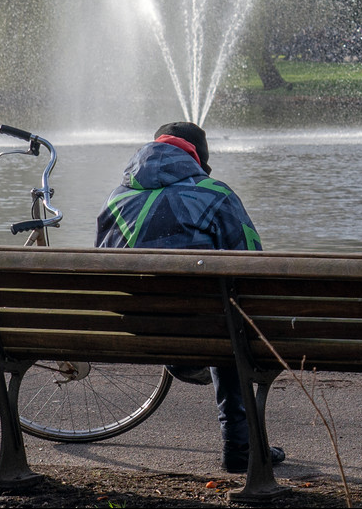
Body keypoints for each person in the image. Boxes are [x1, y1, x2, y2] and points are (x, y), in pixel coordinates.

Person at [96, 121, 284, 474]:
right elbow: (253, 264)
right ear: (200, 159)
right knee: (230, 320)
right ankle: (239, 445)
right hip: (202, 338)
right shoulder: (216, 194)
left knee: (212, 317)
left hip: (130, 331)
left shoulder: (116, 199)